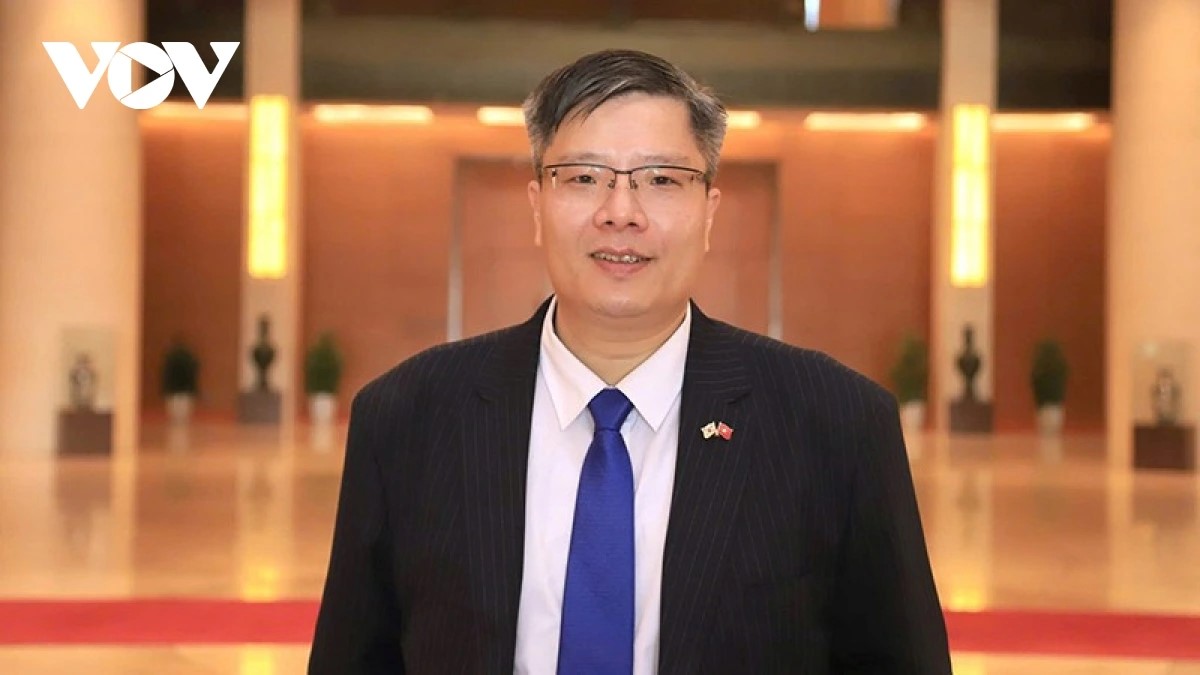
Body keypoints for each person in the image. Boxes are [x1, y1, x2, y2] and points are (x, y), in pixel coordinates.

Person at [308, 48, 951, 674]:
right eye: (584, 178)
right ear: (537, 206)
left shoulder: (837, 425)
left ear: (709, 212)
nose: (620, 213)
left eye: (661, 180)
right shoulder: (406, 418)